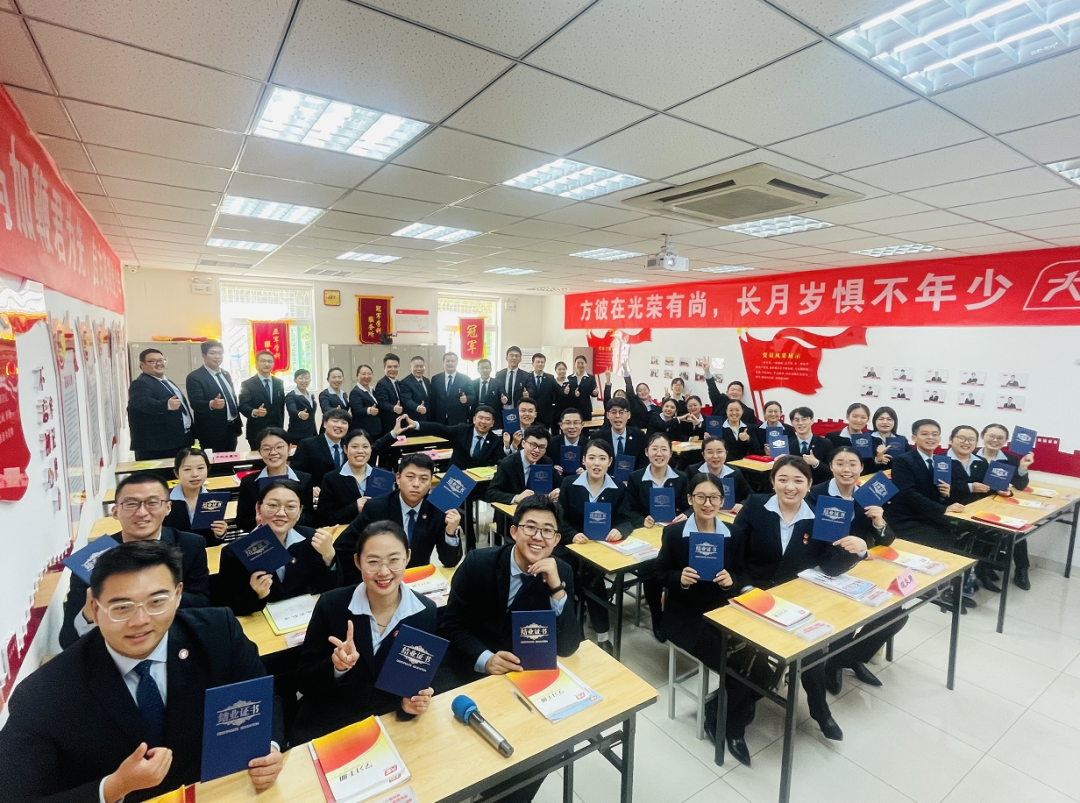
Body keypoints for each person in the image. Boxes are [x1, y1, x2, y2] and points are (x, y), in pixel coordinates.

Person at [0, 542, 284, 803]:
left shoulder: (219, 632)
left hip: (216, 792)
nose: (140, 620)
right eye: (122, 607)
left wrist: (269, 747)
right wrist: (113, 787)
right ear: (95, 609)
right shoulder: (43, 694)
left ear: (177, 596)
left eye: (157, 602)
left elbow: (262, 696)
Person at [723, 456, 868, 761]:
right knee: (752, 658)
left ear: (810, 484)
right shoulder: (755, 506)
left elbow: (829, 565)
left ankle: (819, 710)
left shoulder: (819, 514)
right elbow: (734, 555)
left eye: (798, 480)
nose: (790, 487)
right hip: (753, 594)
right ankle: (732, 724)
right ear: (773, 481)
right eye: (783, 479)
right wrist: (746, 589)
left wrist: (858, 550)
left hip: (795, 597)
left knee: (810, 647)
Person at [439, 495, 581, 802]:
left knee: (548, 750)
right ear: (514, 531)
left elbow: (569, 646)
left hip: (522, 679)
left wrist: (556, 589)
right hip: (471, 671)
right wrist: (486, 659)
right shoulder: (479, 563)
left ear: (557, 539)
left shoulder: (561, 572)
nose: (538, 536)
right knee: (457, 759)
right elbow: (450, 625)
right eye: (530, 527)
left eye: (547, 530)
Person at [291, 520, 438, 744]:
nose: (384, 572)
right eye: (373, 561)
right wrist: (337, 667)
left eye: (394, 560)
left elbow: (413, 681)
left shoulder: (424, 612)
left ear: (407, 557)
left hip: (388, 723)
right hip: (331, 724)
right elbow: (304, 680)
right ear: (357, 562)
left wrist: (409, 704)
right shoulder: (332, 605)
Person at [60, 472, 211, 650]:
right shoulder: (91, 559)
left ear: (168, 508)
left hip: (173, 641)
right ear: (115, 511)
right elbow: (68, 639)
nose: (142, 512)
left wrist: (157, 597)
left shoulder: (190, 545)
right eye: (131, 504)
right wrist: (89, 613)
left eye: (152, 503)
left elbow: (202, 602)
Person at [812, 446, 906, 694]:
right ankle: (837, 661)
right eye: (840, 463)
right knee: (849, 614)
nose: (847, 469)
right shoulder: (816, 494)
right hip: (823, 568)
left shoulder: (867, 495)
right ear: (831, 466)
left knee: (897, 615)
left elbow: (887, 541)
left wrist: (879, 521)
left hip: (858, 567)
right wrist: (859, 551)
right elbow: (818, 545)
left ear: (861, 468)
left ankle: (846, 659)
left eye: (853, 464)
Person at [655, 473, 733, 734]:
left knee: (753, 663)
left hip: (722, 612)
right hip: (685, 616)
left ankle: (729, 704)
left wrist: (731, 581)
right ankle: (719, 712)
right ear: (690, 499)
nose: (707, 503)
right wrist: (679, 578)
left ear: (722, 500)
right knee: (733, 666)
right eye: (701, 497)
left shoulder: (733, 533)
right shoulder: (674, 533)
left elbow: (742, 572)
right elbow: (658, 573)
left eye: (714, 497)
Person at [336, 453, 464, 584]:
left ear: (431, 482)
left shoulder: (437, 510)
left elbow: (450, 561)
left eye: (423, 479)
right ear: (398, 478)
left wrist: (450, 533)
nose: (416, 484)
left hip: (417, 580)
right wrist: (363, 580)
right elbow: (343, 547)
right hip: (380, 579)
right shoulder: (376, 507)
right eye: (410, 477)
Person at [219, 481, 341, 615]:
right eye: (273, 505)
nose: (281, 513)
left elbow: (329, 588)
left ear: (300, 511)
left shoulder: (312, 538)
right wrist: (257, 594)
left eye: (291, 507)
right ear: (258, 509)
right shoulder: (235, 552)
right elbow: (228, 606)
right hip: (259, 621)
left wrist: (329, 557)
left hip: (305, 616)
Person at [558, 439, 634, 653]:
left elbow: (626, 519)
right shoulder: (569, 484)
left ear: (610, 461)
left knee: (594, 580)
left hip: (600, 549)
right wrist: (572, 535)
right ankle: (573, 631)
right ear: (583, 460)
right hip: (570, 547)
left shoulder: (618, 488)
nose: (596, 463)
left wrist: (620, 530)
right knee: (566, 578)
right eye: (591, 458)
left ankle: (602, 635)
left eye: (602, 458)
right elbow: (560, 519)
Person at [625, 432, 689, 640]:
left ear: (671, 453)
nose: (659, 453)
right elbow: (629, 509)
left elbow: (690, 506)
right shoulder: (636, 478)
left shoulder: (681, 478)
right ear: (646, 452)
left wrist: (685, 515)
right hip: (647, 537)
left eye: (663, 449)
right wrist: (641, 520)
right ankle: (657, 616)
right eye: (654, 449)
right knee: (652, 571)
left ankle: (675, 613)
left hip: (674, 537)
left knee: (680, 570)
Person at [888, 419, 967, 557]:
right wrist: (943, 509)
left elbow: (936, 492)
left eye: (935, 434)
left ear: (940, 438)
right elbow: (908, 494)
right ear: (914, 437)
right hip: (909, 518)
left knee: (966, 536)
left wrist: (945, 494)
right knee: (942, 541)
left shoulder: (941, 462)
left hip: (932, 516)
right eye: (925, 434)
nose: (930, 438)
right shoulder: (903, 461)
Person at [976, 423, 1037, 590]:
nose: (995, 440)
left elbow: (1020, 485)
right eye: (991, 436)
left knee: (1017, 529)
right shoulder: (971, 455)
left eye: (1000, 438)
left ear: (1006, 441)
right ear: (983, 436)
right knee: (994, 531)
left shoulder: (1011, 459)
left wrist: (1023, 468)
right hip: (975, 504)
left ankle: (1022, 569)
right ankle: (984, 568)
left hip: (1000, 504)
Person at [317, 422, 408, 527]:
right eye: (354, 447)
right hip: (345, 532)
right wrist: (354, 507)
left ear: (371, 449)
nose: (360, 451)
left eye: (365, 447)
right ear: (345, 449)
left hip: (378, 532)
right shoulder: (332, 479)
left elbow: (392, 511)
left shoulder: (382, 475)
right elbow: (324, 519)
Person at [235, 427, 314, 532]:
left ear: (289, 448)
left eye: (279, 447)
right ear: (260, 452)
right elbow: (241, 521)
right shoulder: (249, 482)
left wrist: (290, 519)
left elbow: (309, 517)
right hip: (263, 535)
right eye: (266, 448)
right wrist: (258, 521)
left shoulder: (304, 479)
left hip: (294, 534)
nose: (273, 452)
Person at [127, 348, 194, 460]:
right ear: (142, 365)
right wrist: (166, 405)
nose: (158, 364)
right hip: (157, 446)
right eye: (153, 361)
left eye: (161, 360)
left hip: (180, 440)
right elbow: (141, 403)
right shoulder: (140, 383)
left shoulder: (167, 382)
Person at [406, 405, 504, 472]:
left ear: (492, 423)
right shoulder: (462, 430)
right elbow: (440, 429)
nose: (483, 422)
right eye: (480, 418)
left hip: (478, 482)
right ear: (474, 419)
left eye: (487, 419)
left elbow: (500, 461)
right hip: (456, 476)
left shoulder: (495, 440)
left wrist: (507, 446)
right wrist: (416, 425)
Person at [163, 447, 229, 546]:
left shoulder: (214, 499)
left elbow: (212, 541)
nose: (195, 474)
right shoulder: (164, 500)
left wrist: (220, 534)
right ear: (176, 473)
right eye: (187, 469)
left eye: (200, 468)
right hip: (172, 553)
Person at [185, 339, 241, 453]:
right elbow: (195, 403)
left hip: (231, 428)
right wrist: (212, 404)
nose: (217, 356)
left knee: (231, 459)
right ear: (204, 355)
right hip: (211, 431)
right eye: (213, 353)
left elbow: (232, 398)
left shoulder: (225, 374)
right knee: (214, 462)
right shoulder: (195, 377)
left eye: (220, 353)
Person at [486, 425, 559, 509]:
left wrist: (556, 492)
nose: (536, 450)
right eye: (533, 445)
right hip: (512, 512)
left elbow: (559, 483)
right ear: (523, 443)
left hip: (537, 510)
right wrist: (516, 498)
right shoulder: (507, 463)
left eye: (541, 447)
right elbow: (490, 493)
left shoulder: (546, 462)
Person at [687, 436, 752, 512]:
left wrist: (742, 504)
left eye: (719, 452)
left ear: (726, 453)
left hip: (727, 514)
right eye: (710, 452)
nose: (715, 456)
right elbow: (685, 499)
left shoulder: (735, 473)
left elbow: (750, 496)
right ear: (703, 454)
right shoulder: (692, 471)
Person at [291, 409, 352, 488]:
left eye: (344, 423)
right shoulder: (308, 444)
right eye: (335, 421)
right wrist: (309, 487)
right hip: (317, 492)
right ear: (325, 424)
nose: (339, 425)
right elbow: (296, 472)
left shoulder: (349, 446)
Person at [238, 350, 285, 449]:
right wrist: (255, 412)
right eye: (263, 361)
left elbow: (281, 408)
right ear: (256, 364)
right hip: (256, 431)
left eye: (269, 361)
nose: (266, 364)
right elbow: (243, 406)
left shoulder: (279, 383)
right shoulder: (247, 384)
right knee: (258, 458)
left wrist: (281, 428)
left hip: (276, 431)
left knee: (276, 456)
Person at [596, 397, 646, 472]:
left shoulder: (639, 436)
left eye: (621, 412)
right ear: (607, 415)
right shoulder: (598, 437)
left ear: (628, 415)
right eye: (613, 412)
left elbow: (643, 463)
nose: (617, 416)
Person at [788, 406, 831, 483]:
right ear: (792, 423)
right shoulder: (787, 444)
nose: (800, 423)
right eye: (797, 420)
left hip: (817, 486)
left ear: (812, 421)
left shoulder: (825, 443)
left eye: (804, 419)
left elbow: (831, 471)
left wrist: (816, 463)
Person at [430, 351, 474, 426]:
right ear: (443, 363)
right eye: (447, 361)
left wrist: (467, 399)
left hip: (458, 419)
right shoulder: (435, 379)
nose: (450, 363)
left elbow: (473, 397)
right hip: (439, 419)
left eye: (453, 361)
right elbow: (432, 399)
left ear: (457, 363)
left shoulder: (465, 379)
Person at [374, 353, 405, 436]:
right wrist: (394, 408)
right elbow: (382, 403)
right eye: (389, 367)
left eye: (395, 367)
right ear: (384, 368)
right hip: (388, 423)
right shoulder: (382, 384)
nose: (393, 369)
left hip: (398, 422)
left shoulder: (397, 383)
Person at [285, 368, 318, 444]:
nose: (304, 381)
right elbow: (292, 409)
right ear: (295, 380)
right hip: (297, 434)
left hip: (312, 432)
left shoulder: (311, 395)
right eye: (301, 378)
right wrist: (300, 413)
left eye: (306, 378)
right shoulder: (291, 396)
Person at [869, 406, 908, 470]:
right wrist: (877, 460)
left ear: (894, 422)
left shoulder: (901, 440)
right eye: (881, 419)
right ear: (874, 421)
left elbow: (908, 461)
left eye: (889, 419)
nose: (885, 422)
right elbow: (861, 462)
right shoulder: (867, 438)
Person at [348, 364, 382, 438]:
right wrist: (369, 410)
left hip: (375, 430)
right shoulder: (355, 392)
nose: (366, 376)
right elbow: (357, 410)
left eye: (369, 374)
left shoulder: (372, 390)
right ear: (357, 376)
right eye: (363, 374)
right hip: (363, 431)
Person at [550, 407, 586, 477]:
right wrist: (553, 470)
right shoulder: (551, 444)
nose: (572, 427)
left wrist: (586, 472)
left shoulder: (589, 445)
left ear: (582, 425)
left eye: (576, 423)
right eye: (568, 423)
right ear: (561, 425)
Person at [525, 352, 558, 427]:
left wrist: (565, 391)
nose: (540, 364)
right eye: (538, 362)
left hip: (546, 416)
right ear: (533, 363)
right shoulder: (527, 377)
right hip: (530, 414)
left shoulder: (550, 378)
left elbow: (558, 391)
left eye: (542, 362)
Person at [490, 346, 527, 413]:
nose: (514, 358)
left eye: (517, 356)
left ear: (520, 359)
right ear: (506, 358)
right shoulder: (499, 374)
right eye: (511, 355)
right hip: (502, 410)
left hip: (518, 410)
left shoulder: (526, 375)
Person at [399, 355, 432, 422]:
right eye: (416, 366)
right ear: (410, 367)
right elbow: (407, 400)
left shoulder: (427, 381)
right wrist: (418, 407)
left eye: (421, 366)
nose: (419, 369)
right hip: (413, 419)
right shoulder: (405, 382)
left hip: (428, 418)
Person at [567, 354, 598, 421]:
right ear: (575, 364)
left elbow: (593, 392)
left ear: (585, 364)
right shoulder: (570, 378)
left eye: (582, 363)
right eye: (578, 363)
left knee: (586, 426)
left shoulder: (590, 378)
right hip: (572, 408)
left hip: (585, 409)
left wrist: (594, 393)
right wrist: (574, 394)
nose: (580, 365)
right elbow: (567, 394)